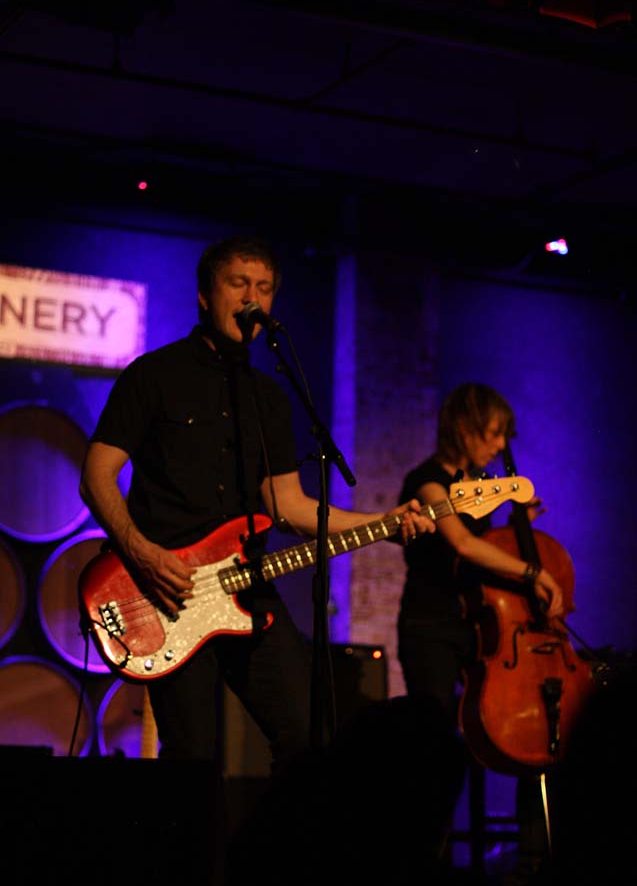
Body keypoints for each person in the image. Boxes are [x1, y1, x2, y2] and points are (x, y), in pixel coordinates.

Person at [78, 234, 434, 880]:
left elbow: (291, 505)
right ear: (205, 293)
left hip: (246, 590)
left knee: (309, 734)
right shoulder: (152, 375)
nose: (252, 298)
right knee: (193, 760)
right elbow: (97, 473)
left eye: (264, 288)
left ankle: (269, 864)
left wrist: (384, 524)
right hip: (167, 592)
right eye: (239, 284)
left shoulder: (270, 398)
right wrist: (144, 551)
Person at [396, 382, 565, 886]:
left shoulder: (483, 484)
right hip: (430, 629)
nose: (499, 446)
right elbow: (464, 545)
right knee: (436, 744)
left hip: (484, 631)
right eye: (493, 435)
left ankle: (534, 855)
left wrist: (520, 527)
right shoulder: (426, 483)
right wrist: (532, 572)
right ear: (465, 429)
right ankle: (432, 862)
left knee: (537, 725)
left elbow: (487, 545)